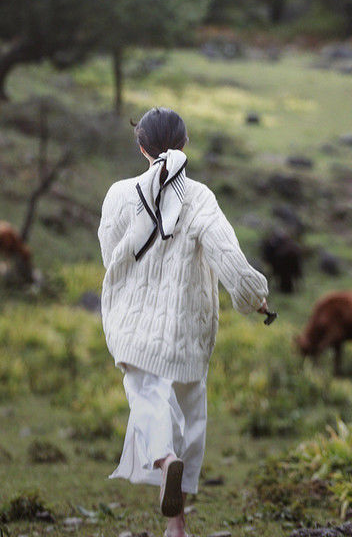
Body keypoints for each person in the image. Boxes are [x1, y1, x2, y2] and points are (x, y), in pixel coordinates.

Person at [99, 107, 269, 537]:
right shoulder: (201, 198)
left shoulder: (119, 194)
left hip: (135, 326)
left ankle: (162, 460)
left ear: (141, 146)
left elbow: (110, 255)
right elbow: (227, 257)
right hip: (188, 330)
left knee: (148, 399)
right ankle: (176, 526)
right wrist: (256, 299)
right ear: (185, 143)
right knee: (190, 419)